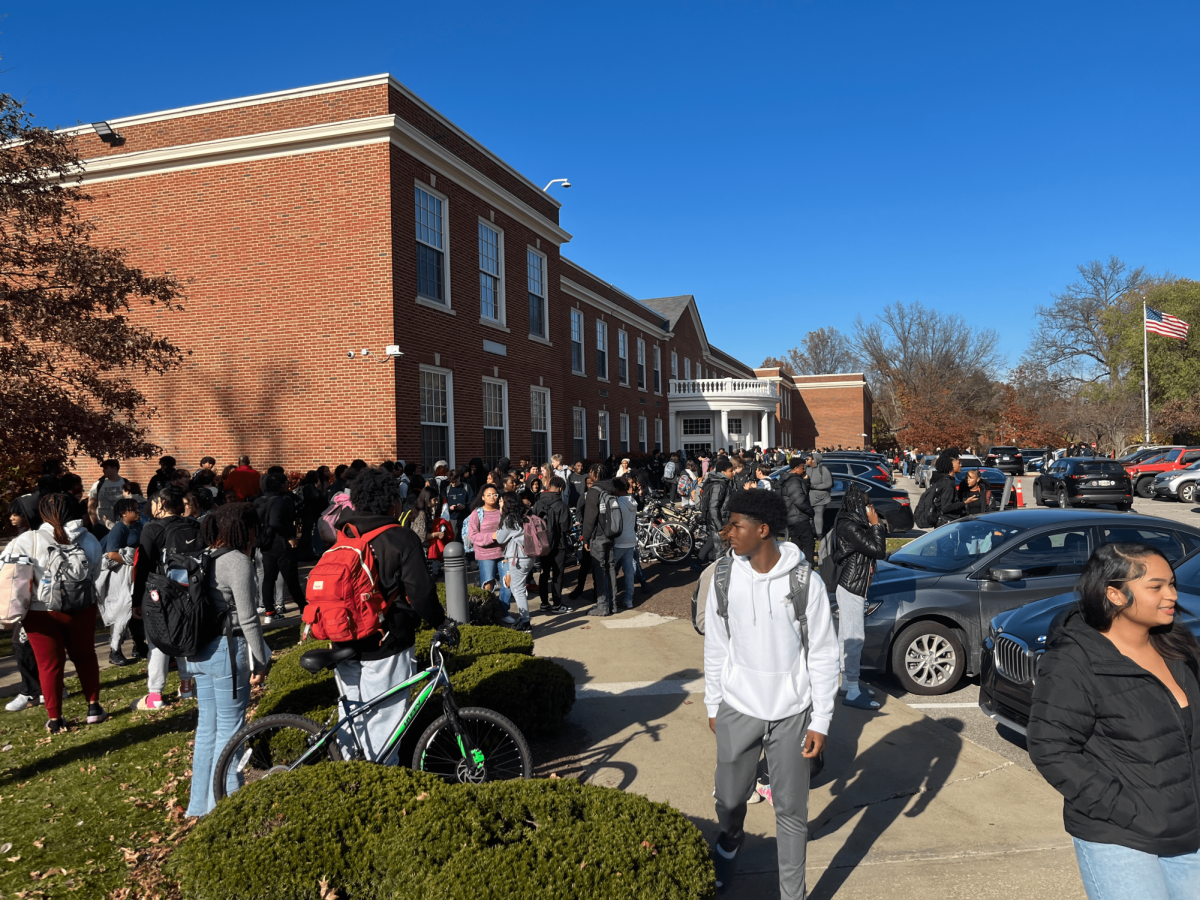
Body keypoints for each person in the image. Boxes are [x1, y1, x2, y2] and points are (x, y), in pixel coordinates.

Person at [1028, 543, 1200, 898]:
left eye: (1172, 584)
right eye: (1156, 587)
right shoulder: (1074, 662)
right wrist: (1128, 810)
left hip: (1188, 831)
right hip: (1120, 836)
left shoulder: (1179, 649)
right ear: (1115, 595)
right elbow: (1051, 748)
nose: (1171, 595)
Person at [703, 489, 839, 898]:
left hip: (792, 714)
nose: (727, 533)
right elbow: (716, 645)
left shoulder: (805, 583)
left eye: (736, 525)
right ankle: (728, 846)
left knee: (791, 813)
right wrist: (713, 702)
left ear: (763, 530)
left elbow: (824, 655)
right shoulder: (724, 577)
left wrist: (821, 720)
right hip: (738, 706)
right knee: (728, 802)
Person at [329, 467, 449, 764]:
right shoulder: (400, 538)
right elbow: (421, 593)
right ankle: (381, 790)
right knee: (384, 727)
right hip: (386, 641)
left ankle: (346, 779)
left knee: (352, 721)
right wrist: (442, 623)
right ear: (393, 502)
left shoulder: (344, 535)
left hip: (342, 639)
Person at [185, 503, 270, 816]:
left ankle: (199, 807)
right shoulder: (238, 561)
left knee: (207, 729)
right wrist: (261, 660)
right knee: (231, 733)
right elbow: (248, 619)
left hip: (198, 652)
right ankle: (224, 808)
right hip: (225, 651)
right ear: (242, 529)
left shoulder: (202, 555)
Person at [10, 493, 109, 733]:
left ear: (41, 514)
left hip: (39, 612)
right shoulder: (89, 539)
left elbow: (12, 575)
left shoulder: (27, 540)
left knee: (49, 665)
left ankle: (55, 718)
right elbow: (95, 573)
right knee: (85, 656)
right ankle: (94, 708)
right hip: (82, 607)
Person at [131, 486, 195, 710]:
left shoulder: (152, 529)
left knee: (158, 641)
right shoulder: (194, 525)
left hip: (159, 592)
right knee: (188, 636)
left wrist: (136, 600)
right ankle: (187, 686)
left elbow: (144, 565)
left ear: (162, 504)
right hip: (190, 591)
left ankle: (155, 695)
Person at [833, 487, 887, 710]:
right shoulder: (849, 525)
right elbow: (878, 549)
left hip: (853, 587)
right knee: (854, 639)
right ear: (857, 505)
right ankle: (853, 690)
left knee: (846, 637)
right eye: (867, 504)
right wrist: (876, 525)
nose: (871, 508)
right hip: (851, 587)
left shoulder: (853, 523)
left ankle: (847, 683)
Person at [2, 497, 52, 712]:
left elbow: (6, 564)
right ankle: (50, 688)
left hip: (31, 603)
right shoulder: (51, 534)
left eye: (16, 513)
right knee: (47, 649)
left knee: (23, 646)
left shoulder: (26, 540)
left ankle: (31, 690)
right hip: (50, 600)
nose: (12, 518)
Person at [254, 471, 304, 625]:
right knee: (291, 577)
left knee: (269, 577)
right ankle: (304, 607)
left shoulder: (259, 501)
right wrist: (290, 537)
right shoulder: (281, 500)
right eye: (285, 483)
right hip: (281, 543)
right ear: (280, 485)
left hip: (266, 543)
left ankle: (269, 611)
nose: (288, 485)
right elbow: (276, 522)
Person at [99, 498, 144, 666]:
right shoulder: (119, 529)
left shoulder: (139, 527)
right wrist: (132, 560)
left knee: (138, 608)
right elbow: (111, 554)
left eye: (138, 508)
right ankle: (115, 650)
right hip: (123, 575)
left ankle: (139, 645)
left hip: (137, 573)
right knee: (124, 609)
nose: (138, 511)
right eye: (134, 509)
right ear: (123, 513)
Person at [580, 463, 619, 617]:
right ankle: (613, 604)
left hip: (598, 535)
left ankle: (602, 605)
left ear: (595, 474)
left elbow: (590, 518)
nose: (589, 475)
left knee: (599, 568)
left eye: (590, 472)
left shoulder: (593, 491)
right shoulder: (611, 489)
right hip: (611, 534)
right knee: (610, 568)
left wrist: (586, 538)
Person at [493, 492, 534, 630]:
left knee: (518, 590)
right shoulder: (526, 515)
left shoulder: (509, 520)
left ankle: (525, 622)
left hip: (519, 558)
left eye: (501, 501)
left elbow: (499, 538)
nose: (499, 503)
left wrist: (500, 514)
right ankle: (524, 620)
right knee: (519, 587)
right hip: (530, 555)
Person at [532, 476, 572, 612]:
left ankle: (544, 602)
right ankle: (557, 604)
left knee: (544, 573)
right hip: (559, 544)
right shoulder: (562, 505)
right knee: (557, 574)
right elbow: (566, 528)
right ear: (560, 488)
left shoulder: (538, 503)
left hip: (542, 544)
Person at [465, 485, 504, 595]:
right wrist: (492, 536)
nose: (492, 497)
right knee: (488, 584)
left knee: (507, 583)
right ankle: (489, 609)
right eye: (488, 495)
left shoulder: (503, 511)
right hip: (485, 554)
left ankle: (504, 610)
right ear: (483, 497)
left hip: (504, 552)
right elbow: (473, 535)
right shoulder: (477, 513)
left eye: (494, 495)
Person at [696, 457, 733, 565]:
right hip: (719, 521)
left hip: (720, 520)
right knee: (721, 550)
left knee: (718, 548)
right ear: (723, 472)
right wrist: (720, 526)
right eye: (730, 471)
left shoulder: (720, 482)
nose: (733, 473)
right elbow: (713, 507)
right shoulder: (719, 484)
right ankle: (719, 574)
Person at [778, 457, 815, 565]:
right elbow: (799, 500)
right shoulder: (793, 481)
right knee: (808, 543)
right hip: (799, 517)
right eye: (803, 468)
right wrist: (810, 512)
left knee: (796, 544)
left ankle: (797, 565)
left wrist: (806, 481)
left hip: (793, 517)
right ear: (796, 468)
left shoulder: (793, 480)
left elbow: (802, 493)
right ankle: (808, 566)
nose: (804, 470)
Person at [611, 475, 639, 610]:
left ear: (617, 489)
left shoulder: (617, 503)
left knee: (609, 570)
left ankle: (611, 599)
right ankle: (629, 600)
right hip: (631, 539)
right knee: (629, 572)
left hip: (618, 541)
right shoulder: (632, 501)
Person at [87, 459, 126, 539]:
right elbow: (91, 505)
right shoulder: (98, 484)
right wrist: (95, 523)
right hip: (102, 526)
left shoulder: (126, 483)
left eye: (106, 468)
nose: (103, 470)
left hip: (122, 525)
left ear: (114, 468)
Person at [929, 450, 965, 526]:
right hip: (946, 523)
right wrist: (965, 503)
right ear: (951, 465)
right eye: (958, 463)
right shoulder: (948, 484)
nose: (960, 465)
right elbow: (946, 507)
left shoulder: (942, 481)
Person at [806, 452, 833, 539]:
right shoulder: (806, 469)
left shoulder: (823, 469)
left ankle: (819, 535)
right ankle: (810, 534)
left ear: (814, 460)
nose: (806, 460)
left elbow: (828, 483)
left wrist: (814, 486)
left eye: (808, 459)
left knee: (818, 515)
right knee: (808, 516)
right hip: (808, 497)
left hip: (821, 498)